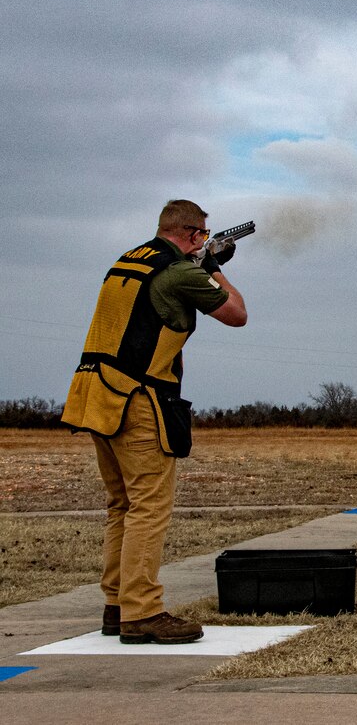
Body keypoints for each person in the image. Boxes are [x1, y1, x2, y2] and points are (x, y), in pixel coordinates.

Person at [61, 199, 247, 644]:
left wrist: (201, 258)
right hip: (138, 399)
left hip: (97, 394)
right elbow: (237, 314)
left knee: (122, 506)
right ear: (191, 235)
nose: (204, 240)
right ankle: (142, 612)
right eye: (202, 235)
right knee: (148, 507)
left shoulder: (129, 259)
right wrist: (214, 267)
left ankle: (117, 604)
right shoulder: (182, 271)